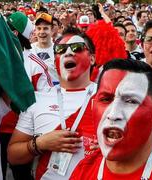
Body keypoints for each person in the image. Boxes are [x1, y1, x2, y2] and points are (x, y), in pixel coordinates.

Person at [8, 27, 97, 180]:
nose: (68, 53)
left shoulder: (110, 98)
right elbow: (13, 156)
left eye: (77, 48)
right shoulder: (36, 100)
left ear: (92, 58)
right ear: (55, 62)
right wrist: (40, 144)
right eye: (61, 50)